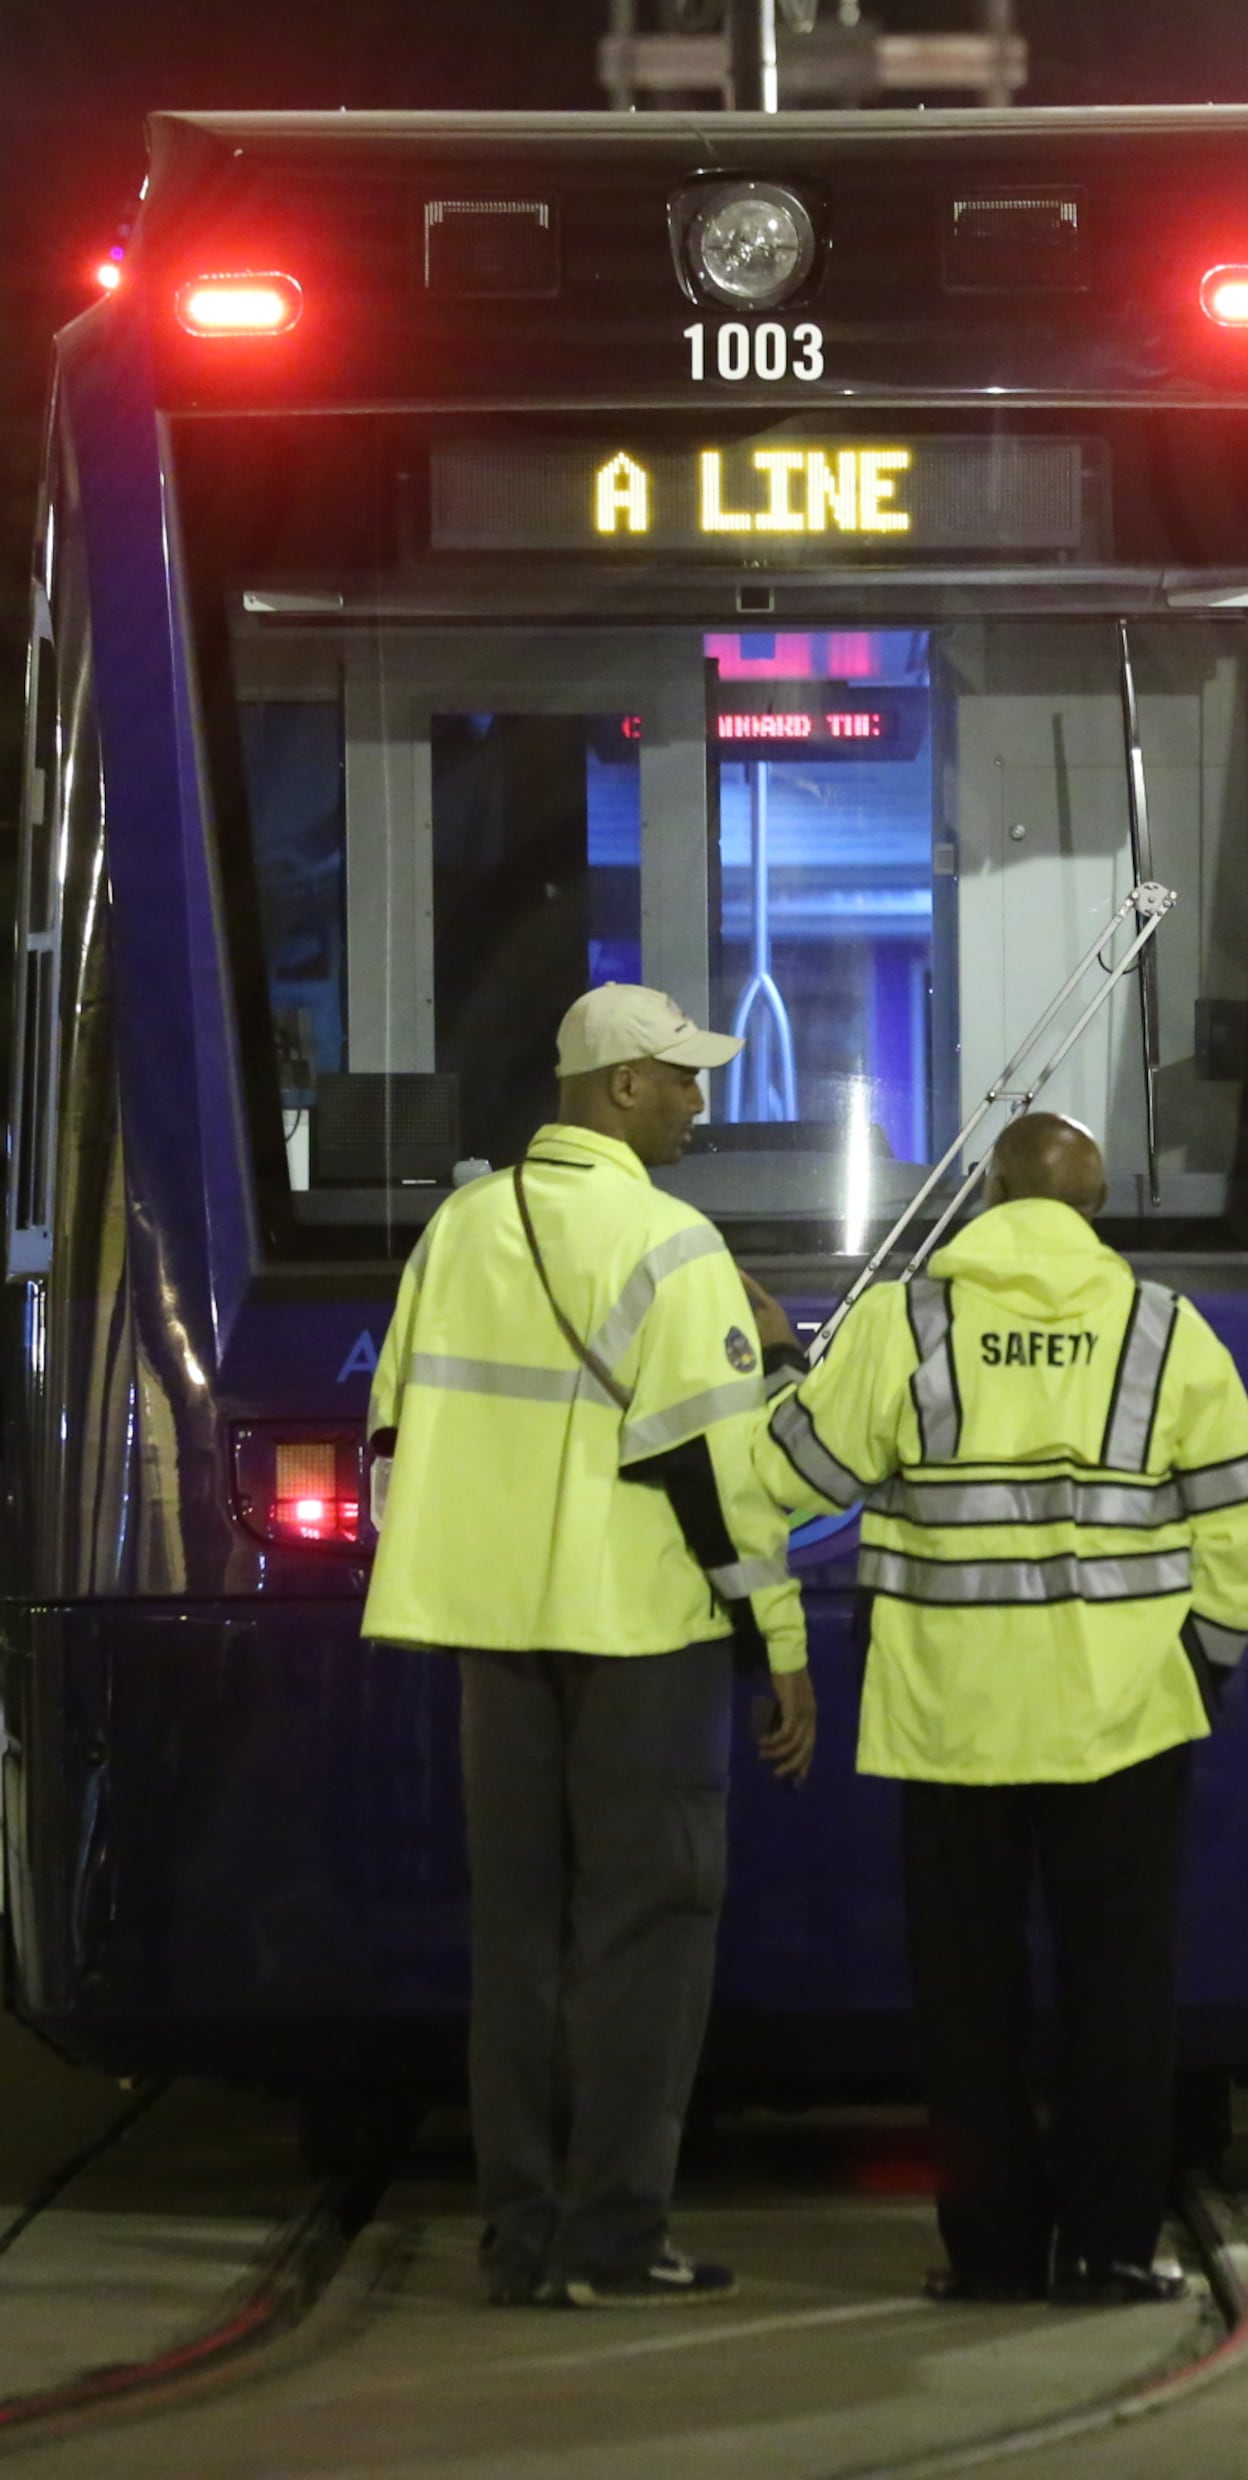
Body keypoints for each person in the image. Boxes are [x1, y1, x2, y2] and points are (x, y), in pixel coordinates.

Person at [756, 1111, 1248, 2307]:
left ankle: (992, 2253)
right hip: (1127, 1720)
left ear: (993, 1199)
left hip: (950, 1718)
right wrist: (1197, 1663)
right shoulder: (1163, 1331)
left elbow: (787, 1479)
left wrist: (788, 1362)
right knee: (1120, 1995)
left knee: (969, 2003)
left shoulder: (909, 1321)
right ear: (1095, 1209)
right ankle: (1107, 2249)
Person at [363, 982, 818, 2309]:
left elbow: (394, 1425)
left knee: (517, 1942)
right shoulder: (674, 1248)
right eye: (683, 1079)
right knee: (647, 1933)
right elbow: (729, 1479)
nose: (700, 1103)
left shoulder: (456, 1228)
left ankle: (520, 2243)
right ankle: (614, 2242)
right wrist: (777, 1643)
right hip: (641, 1638)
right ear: (622, 1085)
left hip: (493, 1643)